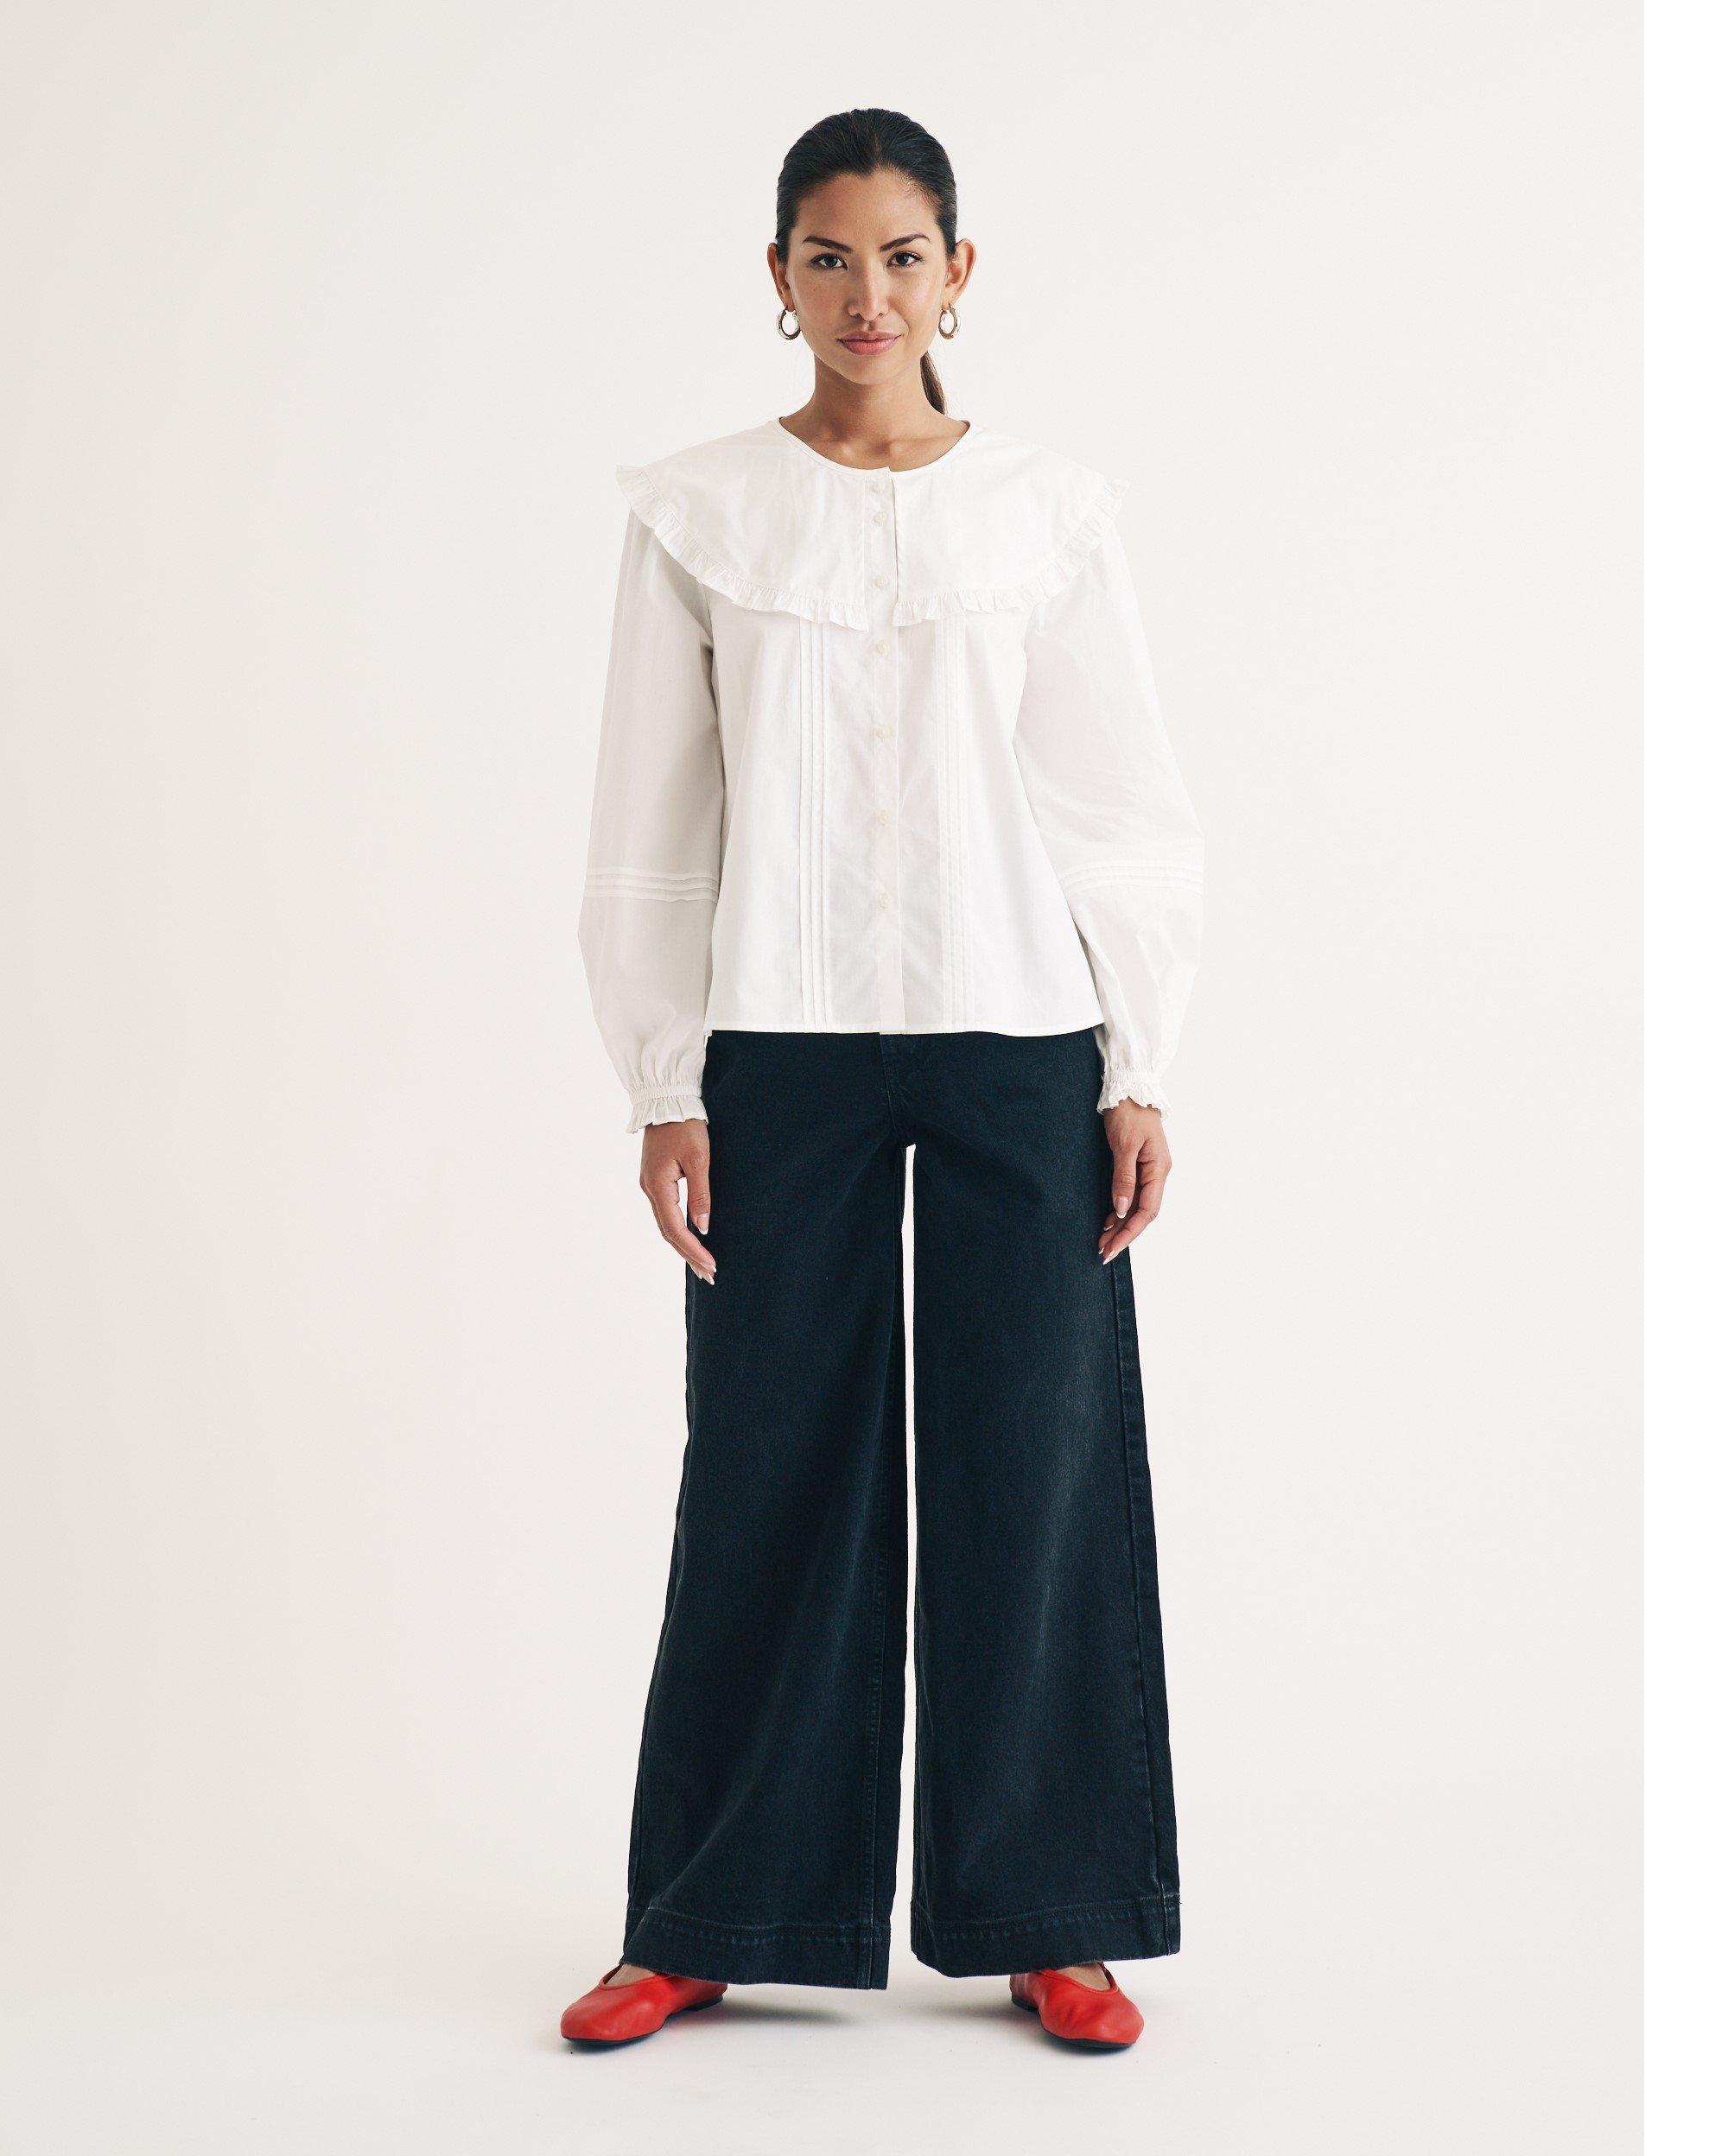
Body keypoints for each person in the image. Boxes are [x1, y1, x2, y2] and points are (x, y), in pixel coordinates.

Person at [561, 107, 1205, 2053]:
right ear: (778, 278)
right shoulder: (699, 513)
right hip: (779, 1042)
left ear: (958, 272)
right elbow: (652, 817)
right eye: (829, 257)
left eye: (903, 255)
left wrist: (1138, 1060)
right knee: (769, 1464)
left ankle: (1053, 1914)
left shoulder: (1047, 510)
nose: (869, 294)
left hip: (1019, 1036)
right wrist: (664, 1078)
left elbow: (1115, 799)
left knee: (1038, 1459)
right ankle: (711, 1911)